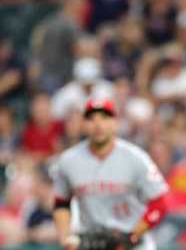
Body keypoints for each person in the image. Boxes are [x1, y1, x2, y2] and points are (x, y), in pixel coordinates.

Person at [52, 99, 169, 250]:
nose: (98, 124)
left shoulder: (137, 158)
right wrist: (65, 237)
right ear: (83, 124)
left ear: (115, 123)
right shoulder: (68, 160)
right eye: (91, 119)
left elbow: (160, 204)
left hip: (132, 243)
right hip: (91, 242)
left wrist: (132, 236)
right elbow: (61, 202)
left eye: (105, 118)